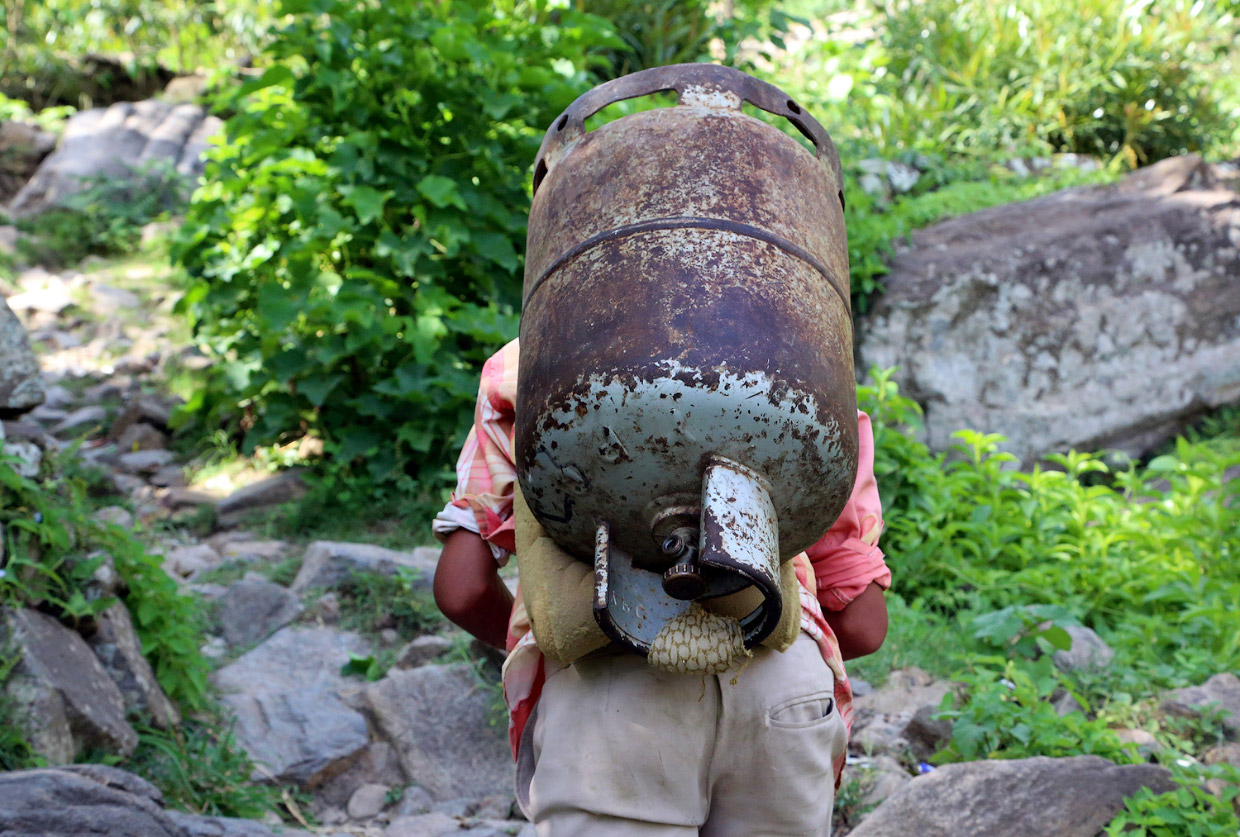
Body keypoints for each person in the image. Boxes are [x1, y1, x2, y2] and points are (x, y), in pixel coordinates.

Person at [433, 337, 891, 836]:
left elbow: (462, 588)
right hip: (782, 690)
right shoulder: (796, 353)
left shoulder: (535, 356)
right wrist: (739, 637)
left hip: (608, 687)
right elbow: (863, 625)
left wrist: (552, 638)